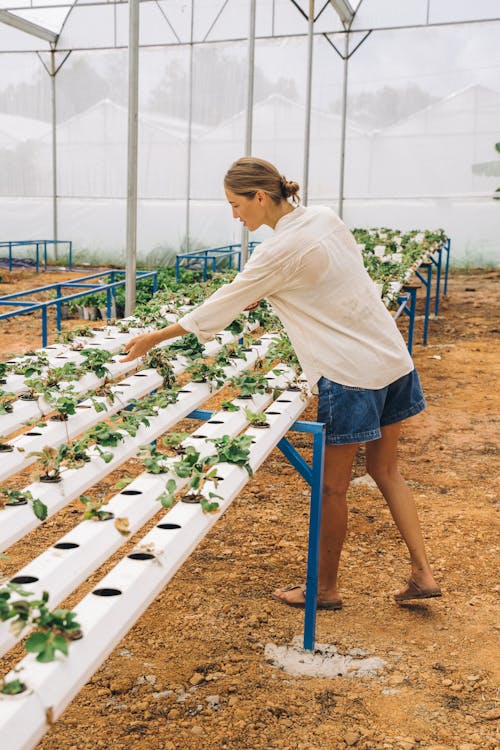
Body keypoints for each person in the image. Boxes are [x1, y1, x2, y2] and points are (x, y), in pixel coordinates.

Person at [122, 156, 441, 609]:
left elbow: (220, 305)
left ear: (260, 196)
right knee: (386, 471)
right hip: (390, 359)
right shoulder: (324, 219)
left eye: (236, 204)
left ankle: (324, 589)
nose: (235, 215)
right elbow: (323, 279)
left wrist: (156, 337)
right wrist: (268, 292)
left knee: (332, 488)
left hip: (350, 374)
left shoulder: (274, 252)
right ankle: (422, 573)